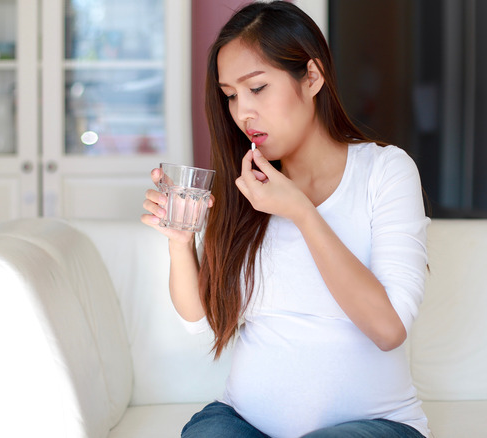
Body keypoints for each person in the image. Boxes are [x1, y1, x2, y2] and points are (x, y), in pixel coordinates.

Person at [142, 2, 430, 437]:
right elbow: (201, 324)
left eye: (257, 88)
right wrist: (180, 243)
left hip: (374, 425)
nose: (242, 113)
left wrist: (301, 212)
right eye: (231, 95)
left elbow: (389, 329)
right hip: (244, 421)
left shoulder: (385, 171)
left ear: (311, 77)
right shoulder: (244, 186)